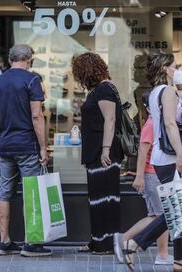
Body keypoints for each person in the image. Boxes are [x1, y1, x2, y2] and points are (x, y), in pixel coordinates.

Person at [117, 52, 182, 272]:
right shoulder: (166, 92)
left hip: (168, 157)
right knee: (176, 211)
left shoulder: (164, 91)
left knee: (181, 208)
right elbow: (169, 124)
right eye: (176, 66)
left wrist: (178, 78)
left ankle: (181, 260)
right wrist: (179, 155)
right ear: (166, 68)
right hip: (170, 158)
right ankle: (135, 242)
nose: (179, 70)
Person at [0, 44, 51, 257]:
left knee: (4, 192)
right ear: (29, 59)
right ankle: (31, 243)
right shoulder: (32, 80)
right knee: (31, 191)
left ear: (10, 59)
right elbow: (37, 116)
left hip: (6, 146)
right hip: (27, 145)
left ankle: (4, 241)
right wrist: (43, 147)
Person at [72, 52, 124, 254]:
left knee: (106, 199)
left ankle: (106, 243)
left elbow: (110, 120)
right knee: (97, 198)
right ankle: (97, 241)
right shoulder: (99, 90)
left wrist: (105, 150)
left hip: (104, 154)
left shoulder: (104, 89)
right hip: (96, 152)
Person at [114, 90, 173, 266]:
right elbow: (142, 152)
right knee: (160, 216)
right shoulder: (151, 124)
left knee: (160, 215)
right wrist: (139, 176)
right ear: (148, 108)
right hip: (152, 175)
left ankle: (163, 254)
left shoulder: (158, 122)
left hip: (157, 174)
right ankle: (124, 239)